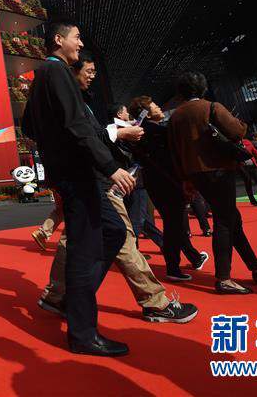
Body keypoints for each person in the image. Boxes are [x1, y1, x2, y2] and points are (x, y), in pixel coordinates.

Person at [36, 54, 197, 329]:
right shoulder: (66, 98)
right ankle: (154, 301)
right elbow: (84, 138)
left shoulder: (71, 100)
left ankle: (58, 295)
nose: (93, 75)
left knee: (75, 237)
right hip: (95, 180)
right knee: (120, 236)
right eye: (89, 70)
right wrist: (115, 153)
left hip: (88, 180)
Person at [21, 21, 136, 357]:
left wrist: (52, 140)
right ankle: (83, 334)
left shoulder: (42, 76)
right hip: (77, 174)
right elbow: (77, 124)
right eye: (77, 37)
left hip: (70, 173)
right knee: (84, 252)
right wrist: (110, 166)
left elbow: (29, 126)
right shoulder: (57, 72)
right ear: (59, 40)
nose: (81, 43)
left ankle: (74, 302)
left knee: (114, 232)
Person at [168, 71, 257, 294]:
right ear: (203, 88)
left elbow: (174, 152)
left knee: (231, 218)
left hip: (194, 173)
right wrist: (240, 123)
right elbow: (238, 131)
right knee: (225, 221)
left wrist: (185, 179)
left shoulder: (175, 117)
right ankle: (224, 278)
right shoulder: (211, 107)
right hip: (218, 170)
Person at [127, 96, 210, 282]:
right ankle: (173, 267)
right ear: (147, 113)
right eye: (155, 106)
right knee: (173, 224)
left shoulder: (141, 132)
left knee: (174, 222)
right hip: (168, 182)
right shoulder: (156, 131)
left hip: (155, 183)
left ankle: (193, 257)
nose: (159, 108)